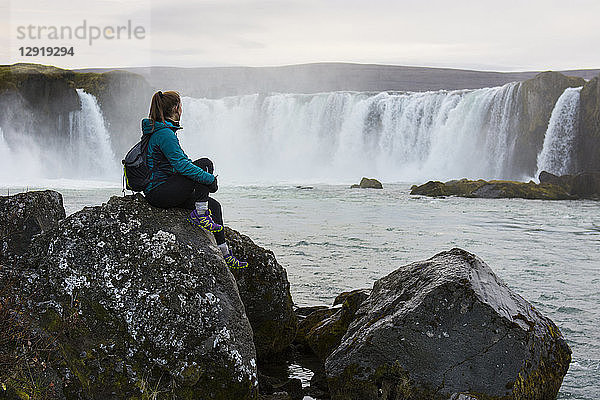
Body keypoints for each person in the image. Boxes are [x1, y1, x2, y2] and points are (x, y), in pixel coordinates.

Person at [142, 90, 247, 269]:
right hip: (158, 192)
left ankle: (225, 254)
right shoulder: (164, 134)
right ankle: (200, 214)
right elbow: (183, 167)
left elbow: (182, 162)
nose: (182, 109)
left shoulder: (164, 131)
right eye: (180, 105)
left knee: (215, 207)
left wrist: (206, 181)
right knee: (204, 165)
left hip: (165, 188)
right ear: (176, 108)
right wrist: (209, 179)